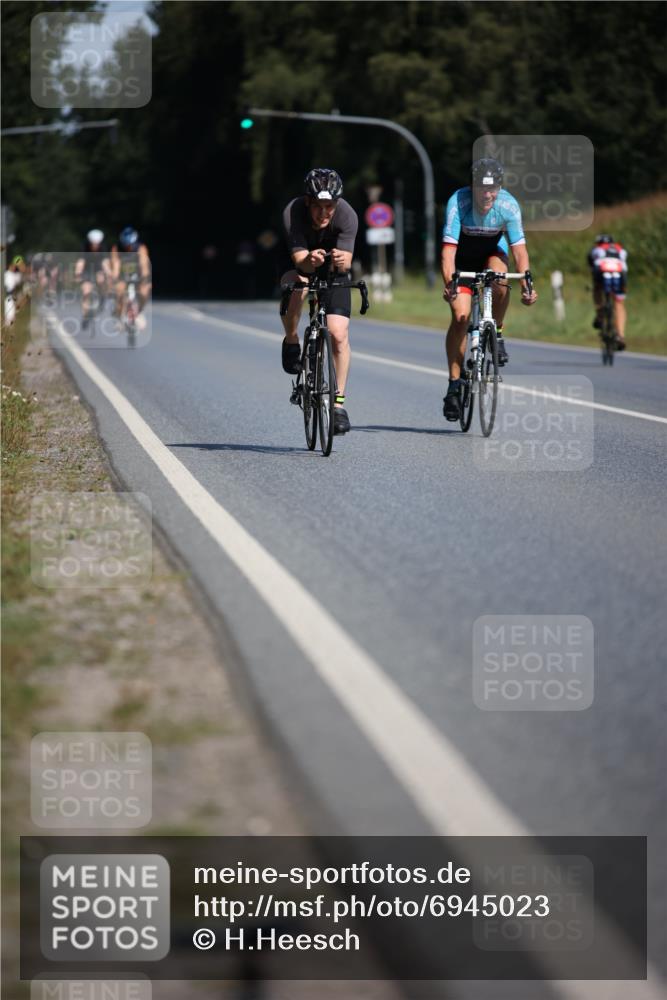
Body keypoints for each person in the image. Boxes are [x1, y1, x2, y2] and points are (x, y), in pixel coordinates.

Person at [440, 157, 538, 421]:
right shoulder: (458, 203)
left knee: (500, 278)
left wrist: (527, 284)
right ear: (472, 186)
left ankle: (498, 330)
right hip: (462, 257)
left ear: (499, 187)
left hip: (492, 252)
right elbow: (448, 253)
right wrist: (450, 283)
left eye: (492, 188)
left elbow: (519, 250)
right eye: (482, 188)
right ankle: (453, 383)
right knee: (460, 317)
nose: (487, 194)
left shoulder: (508, 205)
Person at [279, 168, 358, 435]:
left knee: (338, 334)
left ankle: (338, 405)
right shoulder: (293, 213)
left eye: (330, 206)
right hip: (303, 266)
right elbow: (300, 260)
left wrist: (339, 259)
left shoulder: (347, 215)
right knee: (297, 285)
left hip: (335, 273)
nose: (324, 213)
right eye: (318, 207)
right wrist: (310, 260)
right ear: (307, 202)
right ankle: (291, 338)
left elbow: (347, 260)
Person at [587, 234, 627, 349]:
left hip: (602, 272)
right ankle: (620, 335)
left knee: (597, 289)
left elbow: (592, 265)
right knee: (619, 303)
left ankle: (600, 316)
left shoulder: (596, 250)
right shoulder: (620, 249)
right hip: (620, 273)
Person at [111, 226, 152, 330]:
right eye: (126, 245)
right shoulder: (116, 248)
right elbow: (116, 265)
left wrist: (145, 277)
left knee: (145, 291)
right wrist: (114, 279)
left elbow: (144, 265)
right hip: (123, 274)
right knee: (119, 292)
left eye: (130, 245)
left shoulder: (141, 248)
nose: (128, 247)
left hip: (138, 274)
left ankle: (140, 311)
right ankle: (120, 318)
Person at [74, 229, 112, 328]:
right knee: (86, 291)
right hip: (87, 269)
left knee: (101, 280)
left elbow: (105, 262)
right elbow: (80, 262)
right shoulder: (84, 246)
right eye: (93, 243)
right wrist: (78, 273)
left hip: (98, 268)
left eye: (97, 244)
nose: (95, 246)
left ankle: (102, 296)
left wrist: (109, 273)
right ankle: (85, 315)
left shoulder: (103, 247)